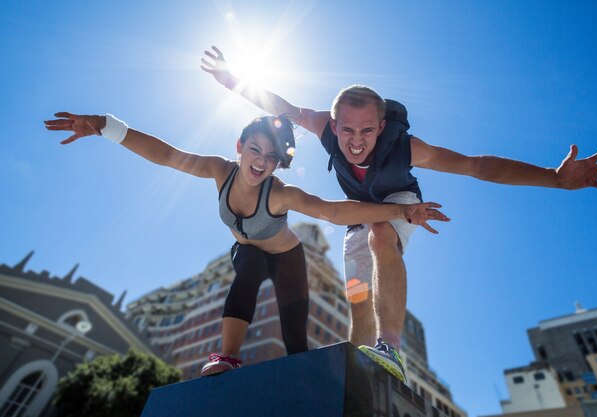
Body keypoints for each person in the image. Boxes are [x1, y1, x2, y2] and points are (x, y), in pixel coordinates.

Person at [200, 46, 597, 382]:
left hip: (403, 204)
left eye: (367, 131)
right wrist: (228, 79)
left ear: (382, 126)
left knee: (382, 234)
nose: (355, 142)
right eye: (346, 130)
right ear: (333, 123)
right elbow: (278, 104)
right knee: (358, 300)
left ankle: (392, 348)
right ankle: (361, 373)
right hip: (357, 215)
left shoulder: (407, 147)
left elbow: (476, 165)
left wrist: (553, 177)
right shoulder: (322, 126)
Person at [44, 111, 450, 377]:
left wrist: (400, 213)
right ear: (239, 148)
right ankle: (227, 356)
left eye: (271, 157)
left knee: (295, 343)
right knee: (248, 265)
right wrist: (105, 126)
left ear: (278, 163)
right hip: (250, 252)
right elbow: (166, 155)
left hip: (289, 259)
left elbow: (331, 211)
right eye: (254, 150)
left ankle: (303, 382)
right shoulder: (218, 171)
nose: (261, 161)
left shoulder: (280, 193)